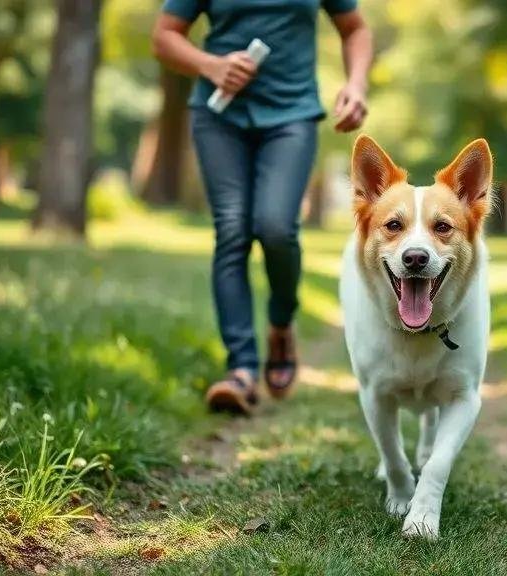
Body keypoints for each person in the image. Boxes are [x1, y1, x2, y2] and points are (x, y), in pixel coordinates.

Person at [153, 0, 372, 413]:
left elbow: (355, 28)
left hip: (292, 115)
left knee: (276, 227)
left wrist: (356, 83)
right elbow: (164, 36)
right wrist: (211, 65)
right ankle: (241, 370)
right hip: (219, 114)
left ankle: (281, 321)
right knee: (232, 231)